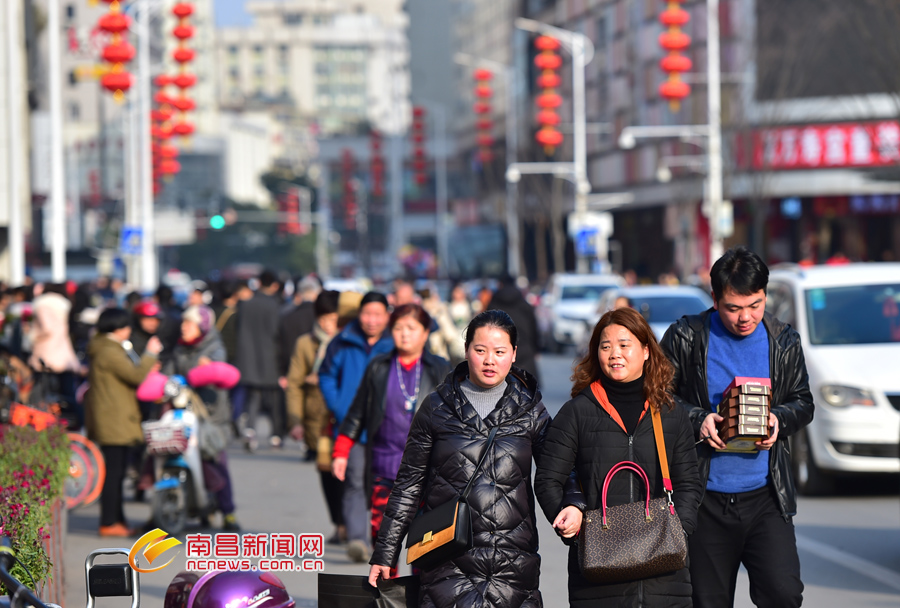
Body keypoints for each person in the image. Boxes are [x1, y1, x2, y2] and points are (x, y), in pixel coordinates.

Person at [369, 310, 577, 607]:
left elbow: (556, 473)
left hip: (512, 561)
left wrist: (573, 508)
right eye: (480, 350)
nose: (489, 360)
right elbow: (408, 484)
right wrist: (385, 555)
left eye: (499, 351)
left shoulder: (531, 410)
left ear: (514, 354)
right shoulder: (436, 407)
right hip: (447, 558)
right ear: (467, 351)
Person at [660, 246, 814, 608]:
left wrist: (779, 418)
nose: (746, 317)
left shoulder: (783, 341)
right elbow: (657, 397)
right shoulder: (686, 337)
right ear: (715, 299)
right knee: (707, 602)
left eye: (755, 305)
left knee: (784, 593)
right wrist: (698, 420)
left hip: (765, 497)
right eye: (733, 308)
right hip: (703, 500)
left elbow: (803, 403)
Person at [534, 307, 702, 607]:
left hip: (664, 577)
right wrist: (575, 530)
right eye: (605, 345)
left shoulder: (670, 413)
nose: (615, 354)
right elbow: (549, 479)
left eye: (625, 345)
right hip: (598, 579)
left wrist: (680, 529)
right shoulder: (577, 413)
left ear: (646, 351)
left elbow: (689, 481)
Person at [331, 304, 451, 568]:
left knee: (425, 548)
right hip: (384, 469)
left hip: (427, 475)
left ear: (425, 332)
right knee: (384, 546)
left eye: (411, 328)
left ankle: (422, 597)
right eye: (398, 328)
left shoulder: (440, 369)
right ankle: (387, 597)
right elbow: (357, 412)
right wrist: (341, 452)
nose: (404, 334)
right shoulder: (379, 367)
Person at [319, 291, 394, 563]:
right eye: (367, 314)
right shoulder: (342, 342)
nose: (371, 320)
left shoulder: (395, 342)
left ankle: (381, 541)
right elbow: (326, 375)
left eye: (378, 315)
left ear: (387, 316)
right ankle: (357, 540)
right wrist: (340, 407)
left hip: (388, 430)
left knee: (385, 485)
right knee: (353, 481)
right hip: (351, 427)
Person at [162, 304, 241, 531]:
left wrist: (207, 370)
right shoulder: (179, 349)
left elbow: (219, 370)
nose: (184, 328)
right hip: (183, 412)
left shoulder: (214, 348)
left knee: (216, 459)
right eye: (184, 323)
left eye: (190, 324)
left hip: (210, 416)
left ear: (202, 327)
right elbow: (168, 373)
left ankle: (228, 512)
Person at [85, 308, 162, 536]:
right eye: (126, 326)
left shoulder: (105, 348)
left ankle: (117, 522)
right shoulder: (109, 351)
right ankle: (109, 522)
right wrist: (150, 354)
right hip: (113, 419)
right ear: (118, 328)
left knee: (116, 473)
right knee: (114, 473)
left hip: (112, 417)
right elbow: (135, 376)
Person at [286, 290, 344, 542]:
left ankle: (352, 523)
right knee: (327, 474)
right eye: (323, 318)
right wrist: (295, 421)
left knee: (351, 475)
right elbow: (294, 384)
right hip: (317, 422)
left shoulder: (349, 342)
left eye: (333, 318)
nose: (327, 324)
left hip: (346, 419)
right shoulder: (305, 343)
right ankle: (339, 523)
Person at [235, 270, 284, 450]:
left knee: (253, 398)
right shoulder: (275, 305)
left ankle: (250, 431)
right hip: (270, 357)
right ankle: (275, 435)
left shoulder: (245, 305)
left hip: (249, 358)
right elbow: (277, 333)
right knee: (272, 398)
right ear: (274, 285)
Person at [487, 276, 541, 383]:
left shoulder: (493, 304)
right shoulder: (524, 304)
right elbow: (534, 328)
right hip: (524, 350)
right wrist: (536, 348)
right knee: (526, 390)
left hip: (500, 352)